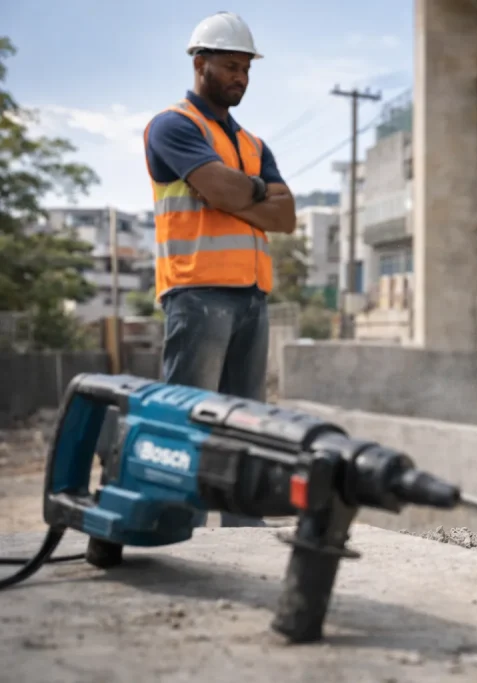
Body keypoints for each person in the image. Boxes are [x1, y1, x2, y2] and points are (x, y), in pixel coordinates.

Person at [143, 11, 296, 525]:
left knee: (245, 426)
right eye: (231, 66)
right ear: (200, 63)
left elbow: (286, 216)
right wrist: (253, 192)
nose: (241, 78)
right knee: (187, 420)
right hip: (197, 292)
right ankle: (171, 528)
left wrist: (235, 191)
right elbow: (225, 190)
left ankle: (242, 535)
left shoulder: (253, 144)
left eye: (246, 69)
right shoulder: (173, 126)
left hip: (252, 296)